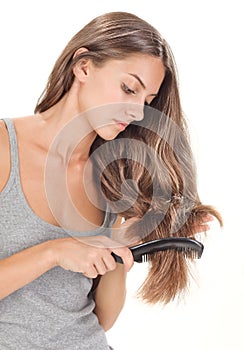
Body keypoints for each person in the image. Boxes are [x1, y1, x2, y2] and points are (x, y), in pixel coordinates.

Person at [0, 11, 222, 350]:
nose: (136, 111)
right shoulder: (6, 148)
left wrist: (120, 246)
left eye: (147, 101)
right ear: (84, 66)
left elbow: (102, 318)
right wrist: (53, 252)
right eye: (128, 88)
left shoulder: (112, 179)